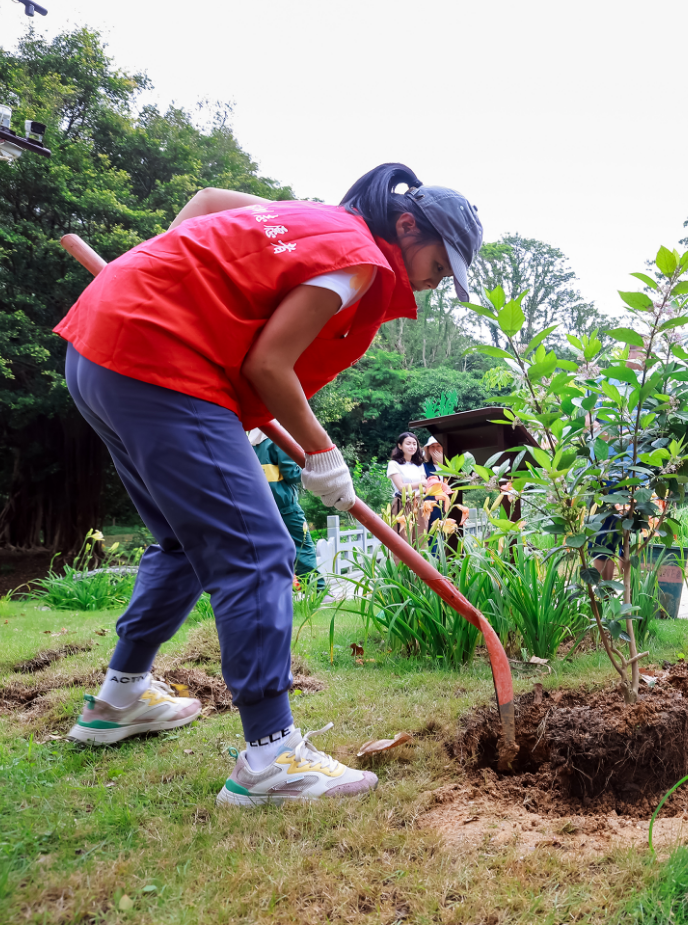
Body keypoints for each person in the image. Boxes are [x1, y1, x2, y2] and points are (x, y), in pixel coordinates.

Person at [56, 162, 484, 804]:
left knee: (180, 542)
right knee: (257, 551)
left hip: (102, 350)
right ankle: (271, 758)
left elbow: (204, 201)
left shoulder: (313, 220)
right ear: (405, 226)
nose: (435, 279)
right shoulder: (357, 258)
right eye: (440, 262)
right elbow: (268, 363)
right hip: (162, 362)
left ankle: (119, 699)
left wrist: (155, 276)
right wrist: (323, 456)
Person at [248, 428, 321, 589]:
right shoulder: (277, 441)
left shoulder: (250, 445)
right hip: (284, 504)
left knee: (272, 549)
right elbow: (291, 473)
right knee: (303, 546)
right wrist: (312, 470)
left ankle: (278, 590)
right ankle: (316, 591)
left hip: (261, 506)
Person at [386, 431, 427, 538]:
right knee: (401, 537)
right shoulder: (393, 464)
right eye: (408, 443)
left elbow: (424, 486)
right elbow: (401, 487)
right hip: (402, 503)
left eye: (414, 444)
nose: (412, 446)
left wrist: (416, 495)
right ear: (400, 446)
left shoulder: (419, 465)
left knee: (420, 538)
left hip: (418, 502)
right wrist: (420, 483)